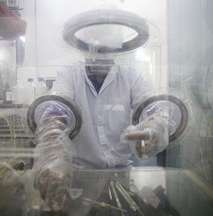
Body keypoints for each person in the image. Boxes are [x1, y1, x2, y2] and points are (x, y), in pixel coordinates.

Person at [31, 24, 169, 211]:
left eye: (107, 50)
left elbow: (151, 105)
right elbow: (57, 108)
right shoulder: (70, 74)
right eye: (96, 50)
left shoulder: (130, 75)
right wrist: (53, 147)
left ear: (116, 51)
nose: (101, 57)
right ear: (85, 49)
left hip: (120, 176)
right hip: (79, 177)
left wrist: (155, 126)